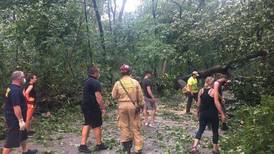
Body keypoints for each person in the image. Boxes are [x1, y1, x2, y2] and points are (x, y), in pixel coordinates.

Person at [112, 64, 144, 154]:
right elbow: (140, 96)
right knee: (135, 126)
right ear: (130, 72)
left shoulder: (118, 83)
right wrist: (141, 105)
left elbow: (114, 96)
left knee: (124, 126)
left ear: (121, 73)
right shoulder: (135, 82)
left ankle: (127, 147)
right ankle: (138, 148)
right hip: (133, 106)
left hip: (122, 106)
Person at [3, 71, 37, 154]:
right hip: (14, 118)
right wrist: (20, 121)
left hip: (16, 116)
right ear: (18, 78)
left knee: (23, 134)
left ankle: (25, 151)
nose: (24, 79)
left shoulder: (10, 87)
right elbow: (16, 107)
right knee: (11, 139)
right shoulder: (15, 91)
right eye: (23, 77)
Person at [191, 76, 226, 154]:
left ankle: (194, 147)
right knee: (215, 131)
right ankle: (215, 149)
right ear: (212, 83)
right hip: (213, 114)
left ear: (206, 82)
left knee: (200, 130)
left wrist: (197, 113)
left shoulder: (201, 91)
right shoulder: (213, 91)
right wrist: (222, 113)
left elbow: (198, 104)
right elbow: (217, 103)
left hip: (203, 114)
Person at [78, 66, 108, 153]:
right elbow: (98, 97)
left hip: (85, 106)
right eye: (98, 72)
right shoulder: (95, 82)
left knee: (87, 123)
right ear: (95, 73)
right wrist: (103, 108)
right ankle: (99, 144)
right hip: (92, 106)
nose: (99, 74)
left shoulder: (87, 81)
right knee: (97, 125)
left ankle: (82, 145)